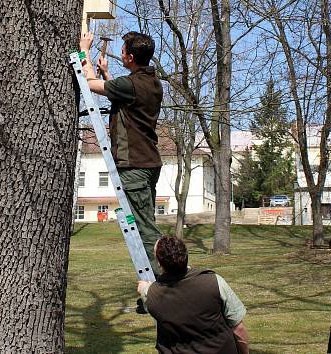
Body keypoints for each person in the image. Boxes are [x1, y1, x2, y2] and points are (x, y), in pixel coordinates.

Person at [79, 31, 164, 283]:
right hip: (149, 162)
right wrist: (107, 75)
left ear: (130, 57)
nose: (122, 54)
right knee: (145, 223)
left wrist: (84, 50)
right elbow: (126, 94)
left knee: (144, 228)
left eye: (124, 51)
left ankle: (164, 282)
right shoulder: (152, 83)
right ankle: (161, 278)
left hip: (134, 165)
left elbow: (88, 83)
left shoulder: (131, 85)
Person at [137, 236, 250, 354]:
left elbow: (146, 293)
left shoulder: (151, 294)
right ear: (185, 256)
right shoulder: (214, 282)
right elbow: (239, 330)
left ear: (159, 263)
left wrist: (144, 288)